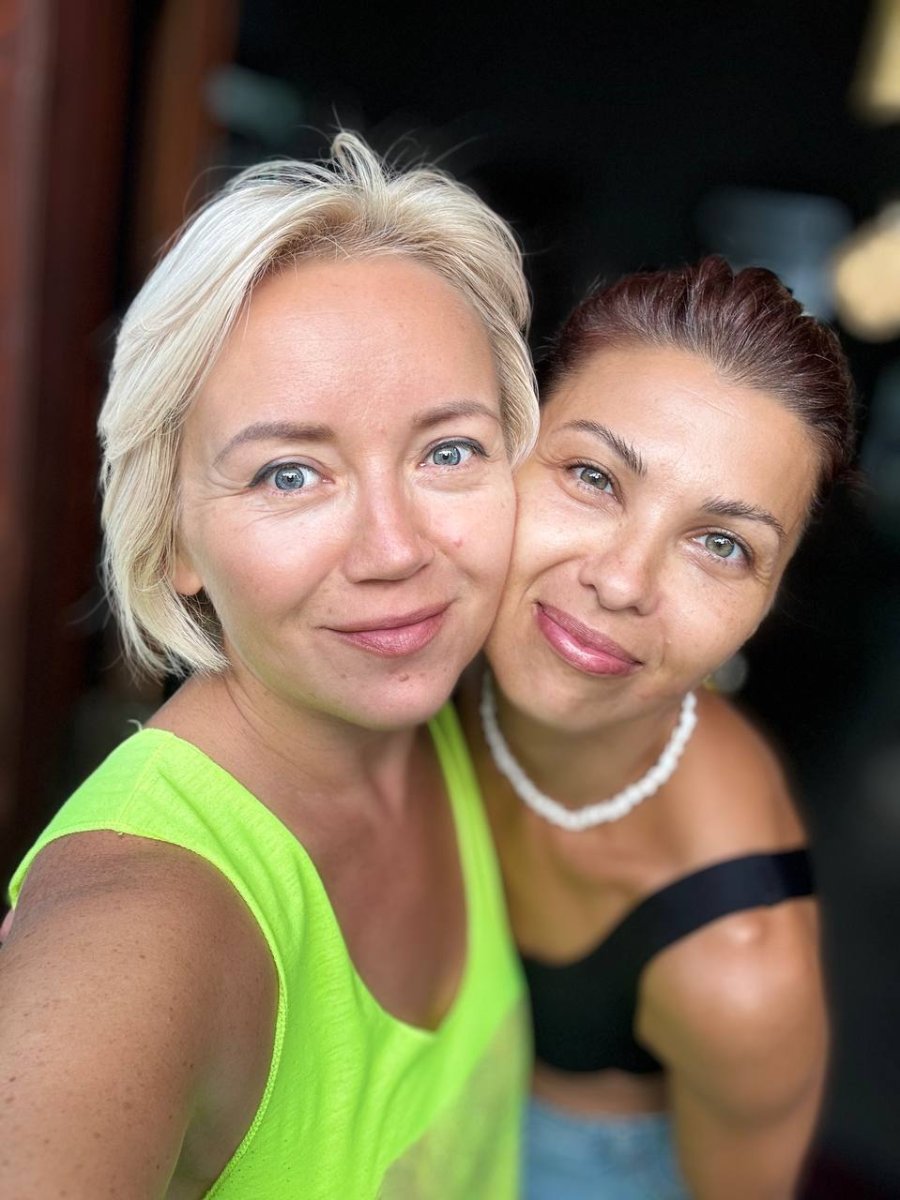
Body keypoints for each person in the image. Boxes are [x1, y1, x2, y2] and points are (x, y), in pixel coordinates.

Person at [0, 134, 540, 1199]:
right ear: (172, 539)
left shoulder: (459, 723)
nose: (395, 550)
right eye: (289, 474)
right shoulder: (135, 935)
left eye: (448, 451)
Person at [458, 257, 855, 1200]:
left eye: (721, 545)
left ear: (768, 602)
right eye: (594, 476)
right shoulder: (409, 646)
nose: (622, 581)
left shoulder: (741, 972)